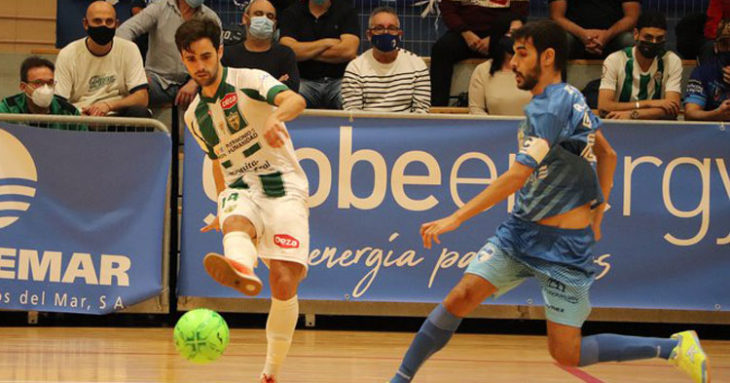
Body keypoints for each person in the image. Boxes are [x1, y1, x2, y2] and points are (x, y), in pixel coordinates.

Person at [388, 20, 709, 383]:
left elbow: (517, 175)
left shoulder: (551, 108)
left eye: (522, 54)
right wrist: (599, 209)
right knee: (460, 296)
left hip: (565, 251)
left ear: (549, 56)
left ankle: (673, 348)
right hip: (520, 235)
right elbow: (608, 155)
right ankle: (399, 379)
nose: (512, 63)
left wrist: (456, 218)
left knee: (566, 353)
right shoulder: (570, 97)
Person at [176, 18, 308, 383]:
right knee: (234, 222)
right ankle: (241, 265)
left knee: (283, 281)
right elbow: (218, 161)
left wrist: (277, 118)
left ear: (219, 52)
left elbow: (296, 99)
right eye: (191, 60)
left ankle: (270, 372)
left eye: (205, 56)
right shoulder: (193, 116)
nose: (200, 66)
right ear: (183, 61)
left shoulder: (250, 80)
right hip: (241, 184)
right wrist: (222, 206)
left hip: (282, 183)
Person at [117, 0, 222, 108]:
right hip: (157, 81)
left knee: (215, 87)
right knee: (131, 90)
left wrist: (194, 83)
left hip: (195, 80)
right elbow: (123, 32)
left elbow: (218, 56)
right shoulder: (159, 8)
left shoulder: (211, 17)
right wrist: (136, 72)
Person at [54, 1, 150, 118]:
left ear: (116, 24)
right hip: (81, 117)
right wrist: (80, 115)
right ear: (85, 24)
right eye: (97, 21)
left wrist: (108, 105)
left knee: (140, 112)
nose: (103, 26)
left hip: (117, 113)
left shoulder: (129, 49)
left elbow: (142, 97)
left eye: (109, 22)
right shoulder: (68, 54)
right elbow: (59, 102)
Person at [430, 0, 528, 106]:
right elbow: (448, 10)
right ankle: (438, 107)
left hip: (501, 33)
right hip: (464, 33)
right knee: (441, 49)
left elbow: (519, 13)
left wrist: (494, 37)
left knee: (512, 48)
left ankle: (513, 103)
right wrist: (465, 32)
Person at [341, 7, 430, 113]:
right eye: (379, 28)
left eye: (392, 28)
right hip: (367, 128)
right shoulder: (355, 68)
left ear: (399, 35)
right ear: (369, 35)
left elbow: (421, 112)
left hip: (406, 127)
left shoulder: (417, 65)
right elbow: (353, 114)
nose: (386, 32)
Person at [597, 11, 682, 120]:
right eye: (648, 37)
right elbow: (604, 106)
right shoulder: (615, 60)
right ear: (636, 34)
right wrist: (649, 104)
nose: (654, 42)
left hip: (656, 127)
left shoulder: (672, 61)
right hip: (619, 124)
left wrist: (633, 114)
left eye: (659, 38)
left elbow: (673, 108)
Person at [279, 0, 360, 109]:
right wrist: (326, 42)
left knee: (352, 105)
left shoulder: (347, 11)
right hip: (304, 81)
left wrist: (305, 52)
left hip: (338, 81)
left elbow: (348, 51)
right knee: (287, 104)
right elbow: (288, 51)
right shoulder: (292, 13)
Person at [222, 0, 300, 92]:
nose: (264, 19)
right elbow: (222, 90)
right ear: (245, 19)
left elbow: (292, 90)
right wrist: (274, 86)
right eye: (258, 14)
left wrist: (245, 89)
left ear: (274, 24)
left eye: (270, 16)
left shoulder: (285, 54)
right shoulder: (228, 54)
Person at [468, 12, 531, 115]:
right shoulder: (483, 71)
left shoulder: (536, 68)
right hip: (494, 129)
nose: (518, 38)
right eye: (513, 33)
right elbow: (476, 110)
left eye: (522, 33)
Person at [0, 56, 86, 131]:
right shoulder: (7, 109)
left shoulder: (68, 112)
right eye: (38, 83)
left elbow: (83, 141)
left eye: (50, 83)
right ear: (23, 87)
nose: (45, 88)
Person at [549, 0, 640, 59]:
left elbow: (631, 17)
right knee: (562, 40)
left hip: (614, 37)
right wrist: (582, 34)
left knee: (628, 41)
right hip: (575, 36)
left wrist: (607, 35)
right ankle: (558, 88)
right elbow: (556, 17)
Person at [685, 18, 730, 121]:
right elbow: (690, 113)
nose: (729, 49)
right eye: (724, 44)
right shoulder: (702, 73)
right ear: (715, 47)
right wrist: (717, 114)